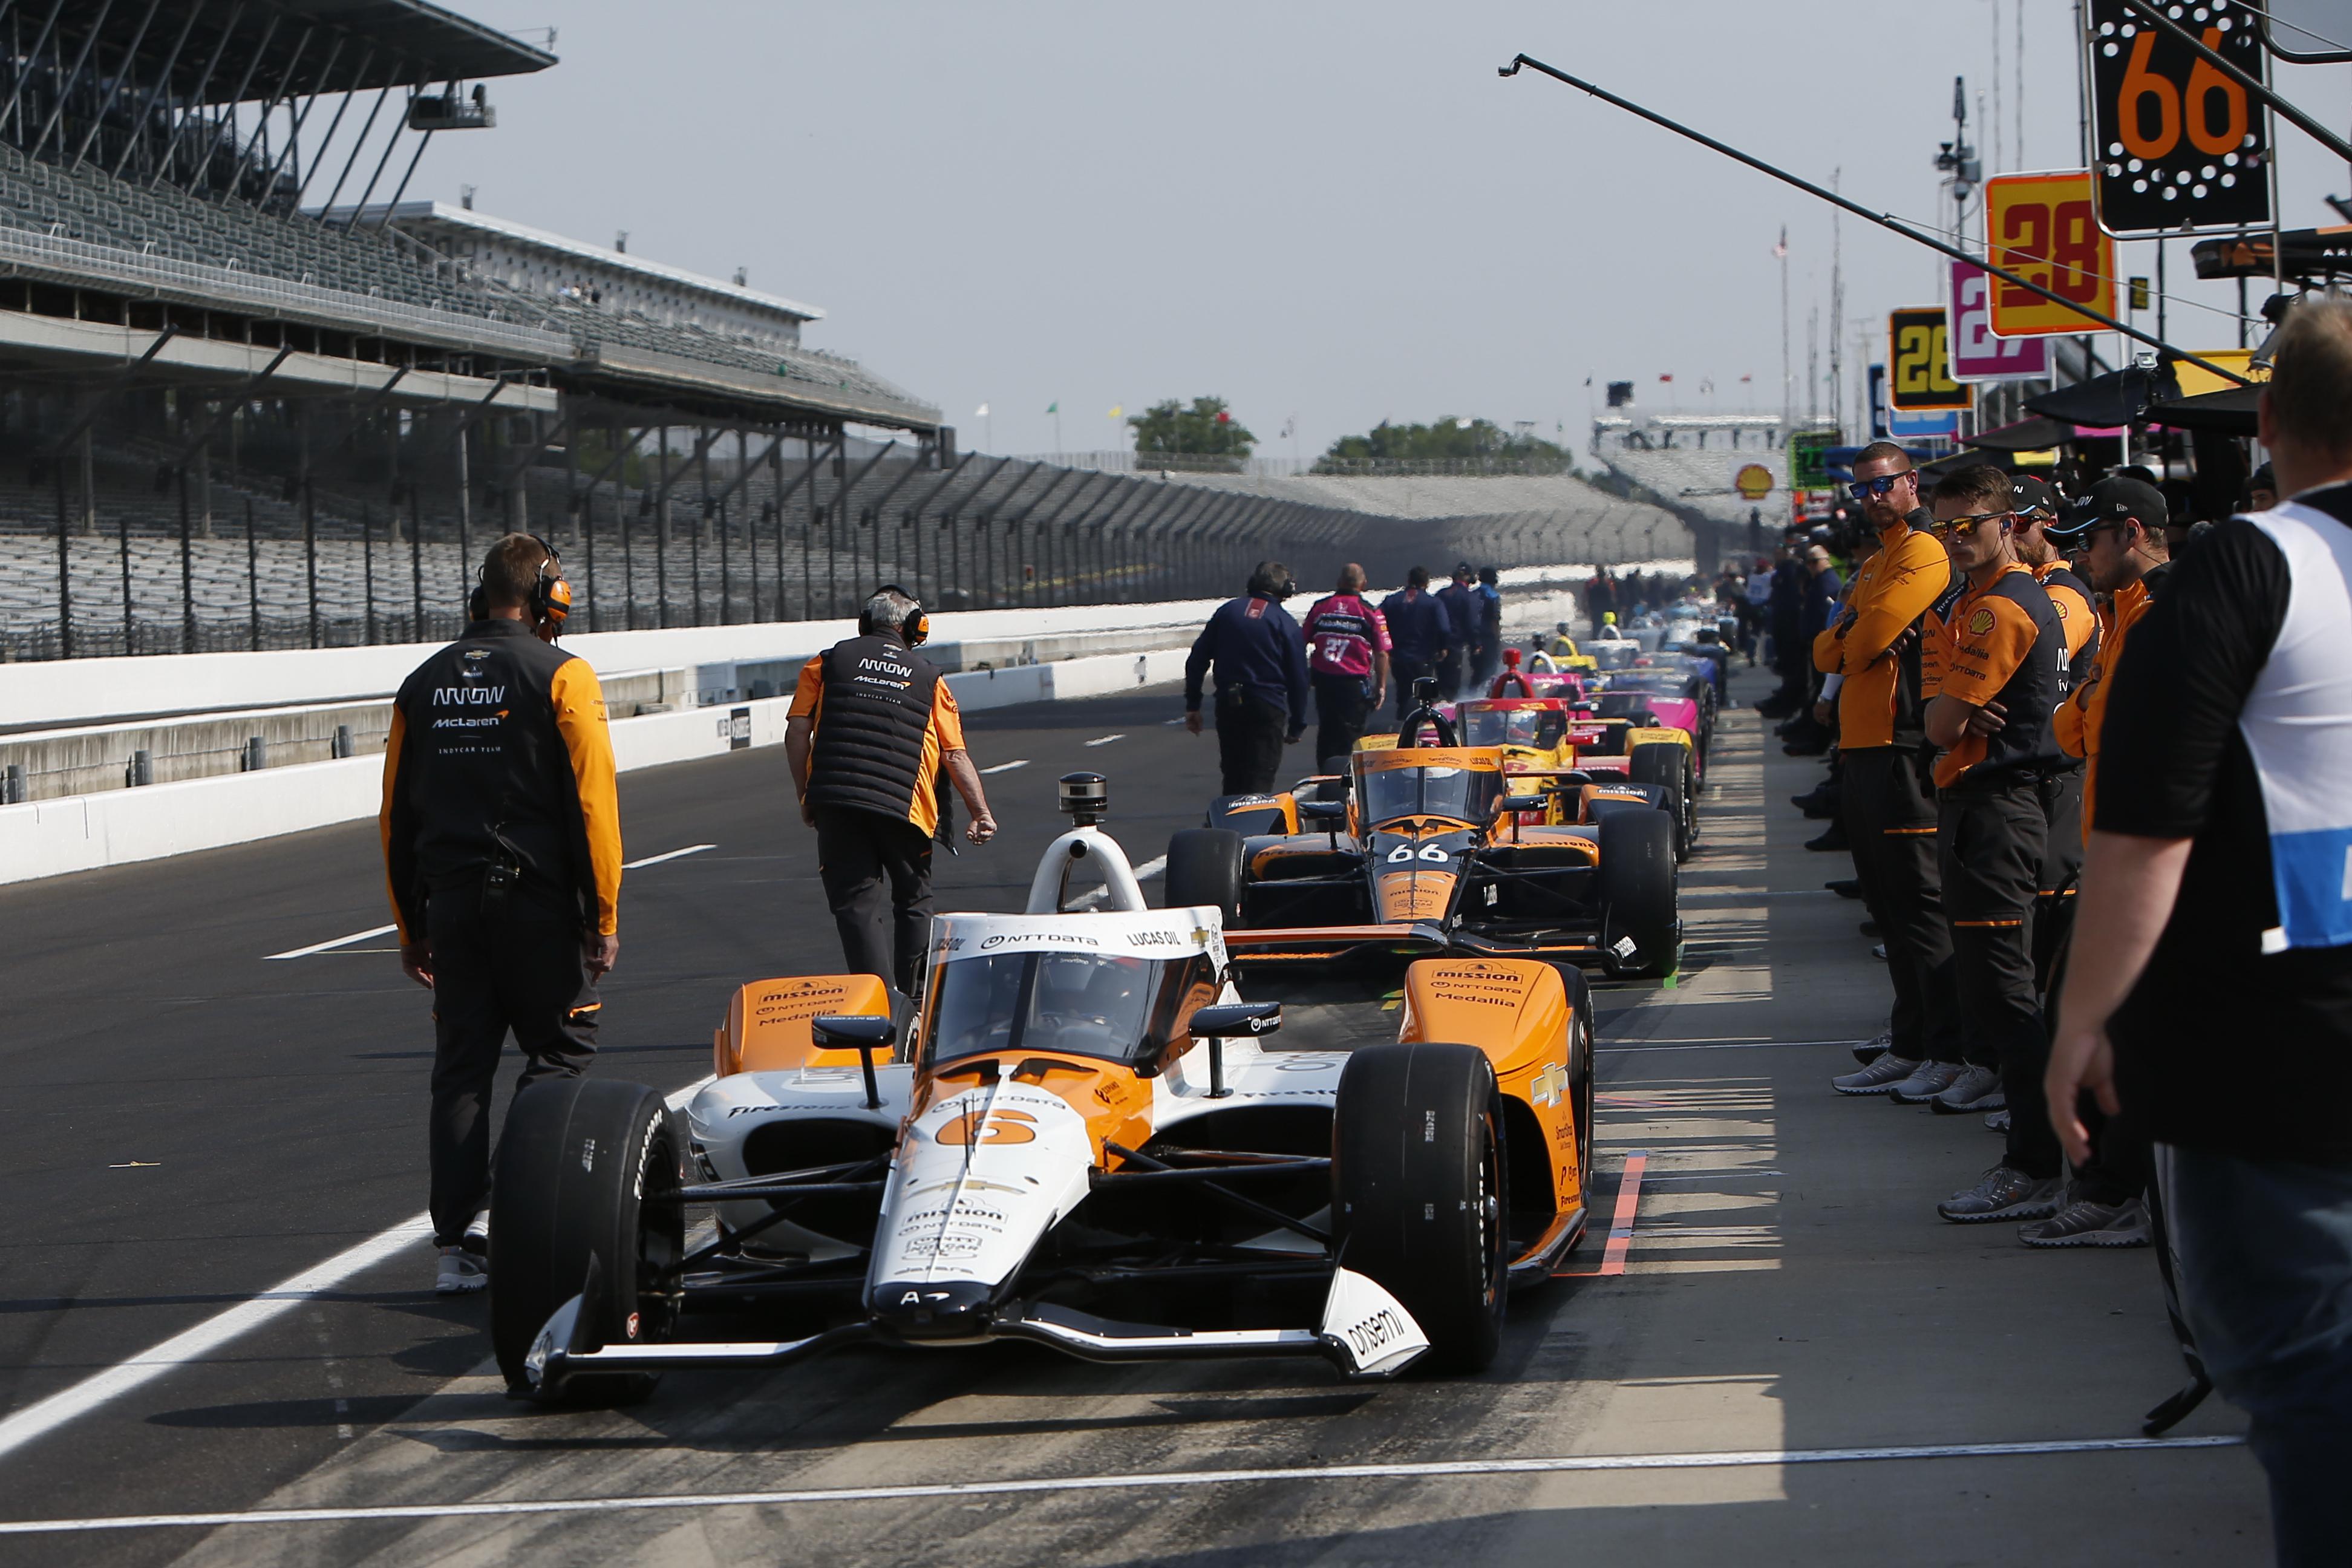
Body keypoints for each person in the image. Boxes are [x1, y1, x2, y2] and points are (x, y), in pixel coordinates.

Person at [2046, 299, 2352, 1564]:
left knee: (2315, 1387)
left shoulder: (2246, 566)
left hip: (2288, 1074)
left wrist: (2083, 1019)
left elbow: (2146, 825)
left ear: (2268, 422)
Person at [381, 534, 621, 1295]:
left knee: (460, 1073)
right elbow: (595, 806)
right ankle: (503, 1213)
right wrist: (602, 915)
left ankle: (456, 1246)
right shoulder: (564, 675)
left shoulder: (420, 684)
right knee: (562, 1052)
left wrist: (409, 926)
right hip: (538, 903)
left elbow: (393, 818)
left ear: (480, 595)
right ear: (550, 597)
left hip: (451, 908)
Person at [2020, 475, 2171, 1250]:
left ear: (2134, 534)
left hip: (2146, 856)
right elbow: (2078, 724)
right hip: (2113, 845)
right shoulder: (2120, 614)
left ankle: (2118, 1190)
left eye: (2093, 538)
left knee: (2104, 1022)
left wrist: (2080, 710)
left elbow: (2087, 722)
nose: (2081, 551)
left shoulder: (2160, 616)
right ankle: (2115, 1185)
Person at [1916, 466, 2068, 1221]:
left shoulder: (1998, 609)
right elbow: (1938, 711)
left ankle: (2034, 1166)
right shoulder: (1984, 601)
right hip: (1995, 812)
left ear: (2006, 523)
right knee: (2001, 994)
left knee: (2005, 997)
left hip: (1997, 813)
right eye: (1942, 530)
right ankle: (2041, 1158)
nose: (1955, 543)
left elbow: (1940, 725)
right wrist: (1952, 713)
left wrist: (1955, 715)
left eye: (1967, 528)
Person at [1827, 442, 1967, 1098]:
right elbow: (1834, 644)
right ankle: (1911, 1041)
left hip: (1901, 747)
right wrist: (1851, 638)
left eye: (1883, 486)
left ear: (1912, 485)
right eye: (1862, 490)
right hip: (1863, 749)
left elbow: (1869, 635)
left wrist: (1851, 639)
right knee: (1888, 910)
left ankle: (1945, 1046)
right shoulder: (1879, 560)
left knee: (1920, 910)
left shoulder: (1923, 552)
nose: (1872, 498)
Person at [787, 586, 997, 996]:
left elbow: (797, 733)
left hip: (838, 800)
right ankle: (916, 1003)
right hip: (905, 807)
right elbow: (954, 755)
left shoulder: (825, 663)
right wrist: (981, 812)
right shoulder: (929, 677)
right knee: (914, 900)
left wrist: (806, 795)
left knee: (855, 906)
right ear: (916, 628)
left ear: (865, 624)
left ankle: (878, 1007)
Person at [1185, 561, 1310, 793]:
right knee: (1260, 775)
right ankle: (1253, 824)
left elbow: (1197, 659)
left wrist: (1193, 704)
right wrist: (1297, 724)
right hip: (1267, 706)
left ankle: (1229, 820)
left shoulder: (1227, 612)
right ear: (1285, 590)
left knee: (1233, 774)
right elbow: (1298, 677)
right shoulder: (1286, 623)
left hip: (1229, 703)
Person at [1300, 563, 1391, 765]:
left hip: (1324, 681)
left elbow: (1301, 642)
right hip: (1353, 683)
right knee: (1351, 735)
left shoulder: (1320, 607)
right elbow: (1382, 653)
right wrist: (1381, 686)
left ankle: (1325, 772)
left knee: (1327, 730)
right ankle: (1345, 778)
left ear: (1339, 582)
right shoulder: (1370, 612)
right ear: (1364, 584)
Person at [1381, 567, 1454, 720]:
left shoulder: (1392, 601)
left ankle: (1403, 728)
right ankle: (1423, 729)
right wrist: (1443, 647)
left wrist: (1385, 647)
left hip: (1398, 658)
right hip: (1423, 657)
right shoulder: (1433, 603)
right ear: (1426, 583)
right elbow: (1444, 628)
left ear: (1409, 580)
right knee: (1424, 696)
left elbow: (1377, 621)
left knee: (1403, 694)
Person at [1436, 562, 1481, 698]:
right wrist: (1476, 645)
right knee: (1453, 685)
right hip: (1455, 646)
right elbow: (1472, 624)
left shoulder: (1440, 595)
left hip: (1439, 646)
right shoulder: (1469, 597)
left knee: (1442, 681)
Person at [1471, 566, 1505, 692]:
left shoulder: (1473, 594)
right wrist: (1497, 639)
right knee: (1490, 670)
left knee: (1477, 672)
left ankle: (1471, 696)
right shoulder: (1493, 596)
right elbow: (1494, 620)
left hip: (1474, 639)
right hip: (1489, 639)